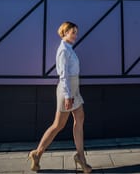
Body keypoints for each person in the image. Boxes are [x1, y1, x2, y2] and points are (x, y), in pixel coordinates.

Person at [28, 21, 92, 173]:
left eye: (76, 32)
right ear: (65, 32)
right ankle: (37, 154)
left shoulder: (69, 48)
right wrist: (68, 96)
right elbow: (63, 75)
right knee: (58, 125)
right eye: (73, 32)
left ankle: (81, 157)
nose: (76, 35)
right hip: (67, 90)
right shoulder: (63, 50)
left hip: (74, 88)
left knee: (80, 118)